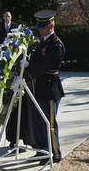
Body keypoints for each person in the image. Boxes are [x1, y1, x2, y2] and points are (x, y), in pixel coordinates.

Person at [26, 10, 65, 163]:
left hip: (50, 88)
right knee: (38, 122)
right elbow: (35, 61)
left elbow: (46, 66)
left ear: (51, 25)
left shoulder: (56, 44)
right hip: (40, 87)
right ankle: (42, 150)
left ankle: (55, 153)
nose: (40, 29)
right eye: (39, 26)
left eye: (43, 27)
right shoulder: (42, 42)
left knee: (49, 123)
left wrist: (27, 75)